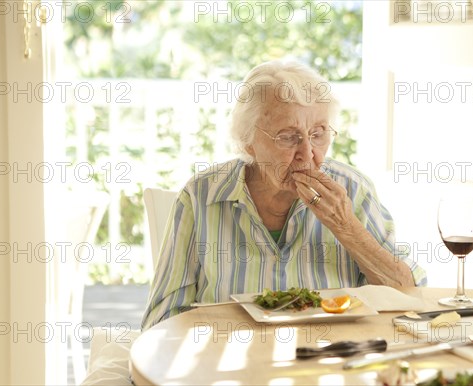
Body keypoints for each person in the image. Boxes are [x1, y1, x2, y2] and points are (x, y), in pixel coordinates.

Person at [141, 60, 426, 330]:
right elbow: (162, 318)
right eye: (288, 137)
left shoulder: (353, 190)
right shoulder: (201, 195)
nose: (307, 154)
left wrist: (346, 226)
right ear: (248, 141)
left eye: (318, 134)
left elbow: (409, 295)